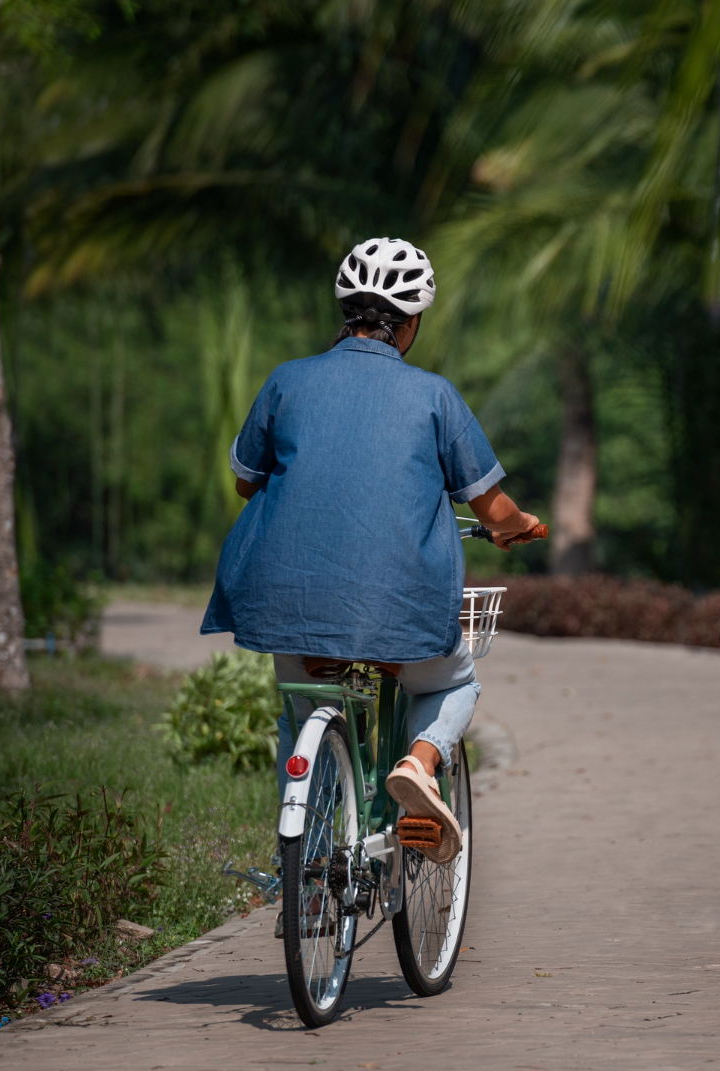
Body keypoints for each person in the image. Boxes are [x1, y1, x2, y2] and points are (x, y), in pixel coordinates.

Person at [201, 237, 544, 875]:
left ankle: (303, 859)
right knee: (453, 680)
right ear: (410, 322)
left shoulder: (287, 381)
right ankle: (418, 763)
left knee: (300, 709)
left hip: (288, 603)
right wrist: (518, 526)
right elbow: (494, 511)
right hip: (401, 611)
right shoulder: (436, 396)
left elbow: (247, 480)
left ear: (346, 310)